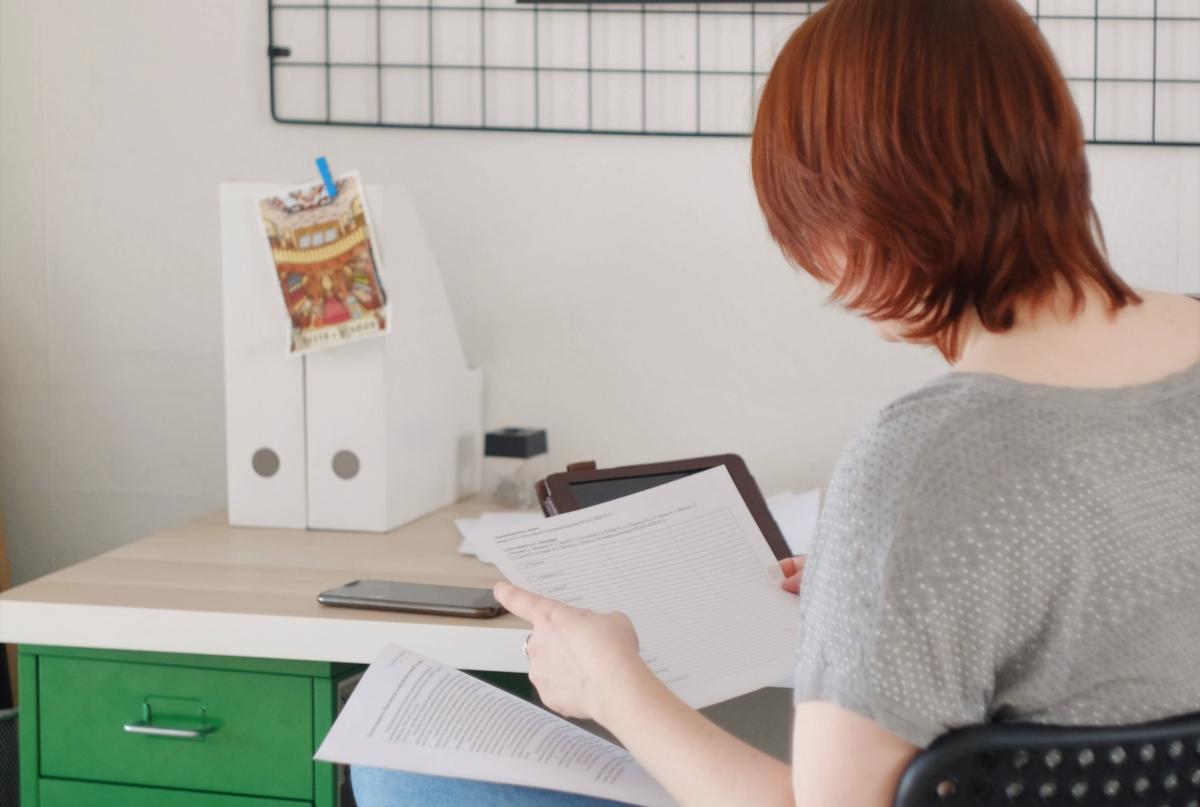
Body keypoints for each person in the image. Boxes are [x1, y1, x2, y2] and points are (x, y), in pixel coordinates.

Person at [352, 0, 1200, 804]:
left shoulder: (924, 458)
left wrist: (613, 686)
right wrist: (878, 588)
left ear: (868, 207)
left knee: (398, 771)